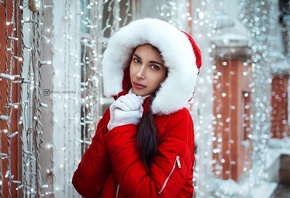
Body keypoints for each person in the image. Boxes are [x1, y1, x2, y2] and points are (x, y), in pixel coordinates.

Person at [72, 18, 202, 198]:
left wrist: (122, 131)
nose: (140, 74)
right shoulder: (119, 110)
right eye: (137, 60)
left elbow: (152, 194)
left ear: (168, 75)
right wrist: (114, 125)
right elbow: (84, 185)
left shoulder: (178, 119)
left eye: (154, 67)